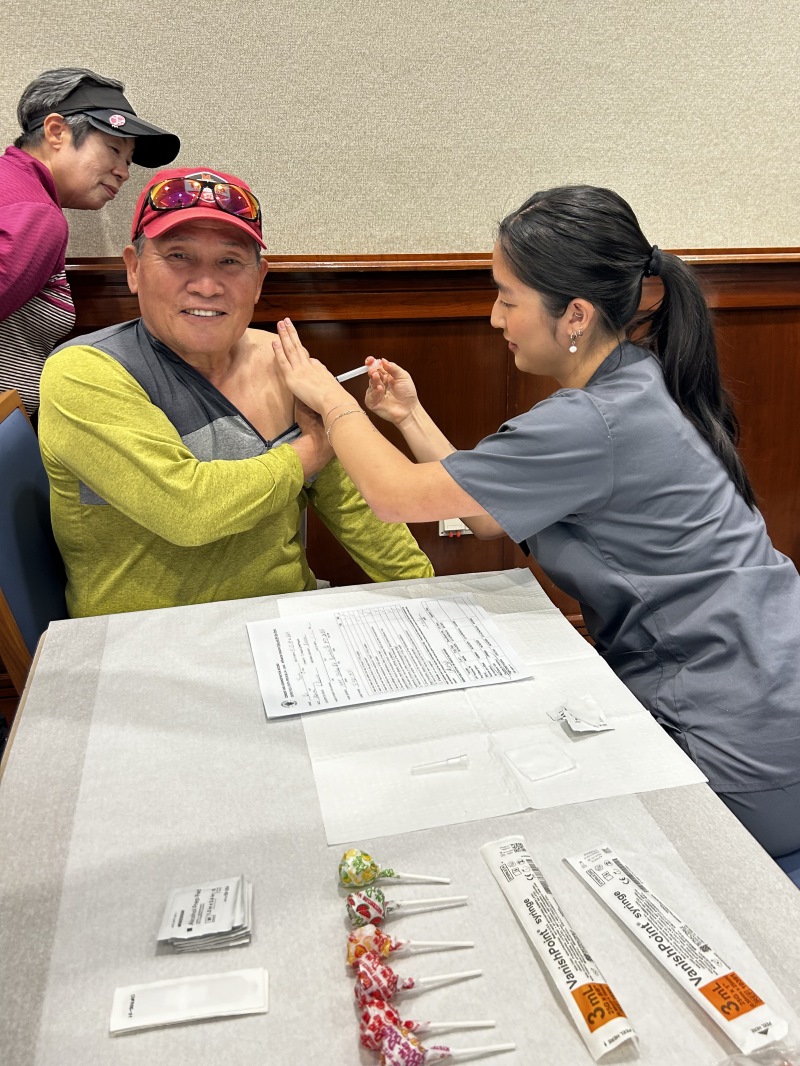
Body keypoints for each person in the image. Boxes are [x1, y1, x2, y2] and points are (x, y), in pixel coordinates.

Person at [271, 184, 800, 859]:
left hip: (740, 736)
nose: (496, 318)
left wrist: (326, 398)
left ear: (574, 315)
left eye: (507, 298)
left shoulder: (591, 421)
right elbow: (487, 514)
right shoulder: (637, 380)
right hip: (772, 686)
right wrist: (407, 416)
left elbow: (395, 497)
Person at [38, 166, 433, 617]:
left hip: (287, 624)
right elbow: (188, 511)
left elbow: (356, 508)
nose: (206, 285)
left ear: (259, 279)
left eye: (229, 261)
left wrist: (428, 594)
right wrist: (313, 448)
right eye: (179, 256)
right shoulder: (85, 373)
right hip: (147, 642)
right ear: (133, 269)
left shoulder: (281, 360)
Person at [0, 67, 180, 418]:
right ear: (56, 131)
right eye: (114, 149)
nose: (124, 172)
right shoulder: (38, 216)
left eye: (127, 161)